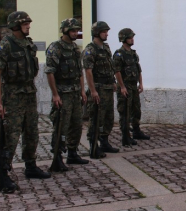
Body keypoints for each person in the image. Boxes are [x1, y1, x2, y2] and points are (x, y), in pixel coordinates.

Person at [0, 11, 50, 193]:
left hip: (29, 93)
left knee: (31, 131)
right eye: (25, 24)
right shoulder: (5, 46)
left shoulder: (28, 44)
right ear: (15, 26)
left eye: (28, 23)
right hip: (12, 96)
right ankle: (3, 174)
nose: (28, 26)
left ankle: (31, 165)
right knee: (10, 135)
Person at [45, 18, 89, 170]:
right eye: (72, 30)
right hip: (62, 94)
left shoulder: (76, 48)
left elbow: (80, 72)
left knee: (76, 125)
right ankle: (57, 156)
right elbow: (50, 72)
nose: (75, 33)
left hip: (75, 93)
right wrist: (55, 94)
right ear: (64, 31)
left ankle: (72, 153)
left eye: (77, 30)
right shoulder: (55, 48)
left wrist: (83, 91)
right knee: (61, 126)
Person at [82, 21, 118, 158]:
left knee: (108, 117)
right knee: (96, 117)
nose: (106, 34)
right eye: (104, 31)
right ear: (96, 33)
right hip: (98, 88)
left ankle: (104, 141)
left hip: (108, 87)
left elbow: (110, 66)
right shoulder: (90, 50)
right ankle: (93, 145)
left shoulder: (106, 47)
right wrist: (93, 91)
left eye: (106, 31)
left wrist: (113, 81)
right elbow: (88, 72)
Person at [113, 28, 149, 146]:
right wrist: (122, 87)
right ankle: (125, 136)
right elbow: (117, 71)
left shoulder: (133, 54)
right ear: (123, 39)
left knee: (136, 109)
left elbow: (138, 69)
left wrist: (141, 84)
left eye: (132, 37)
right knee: (125, 112)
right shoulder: (119, 54)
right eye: (130, 37)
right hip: (125, 87)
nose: (132, 39)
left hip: (133, 86)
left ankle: (136, 131)